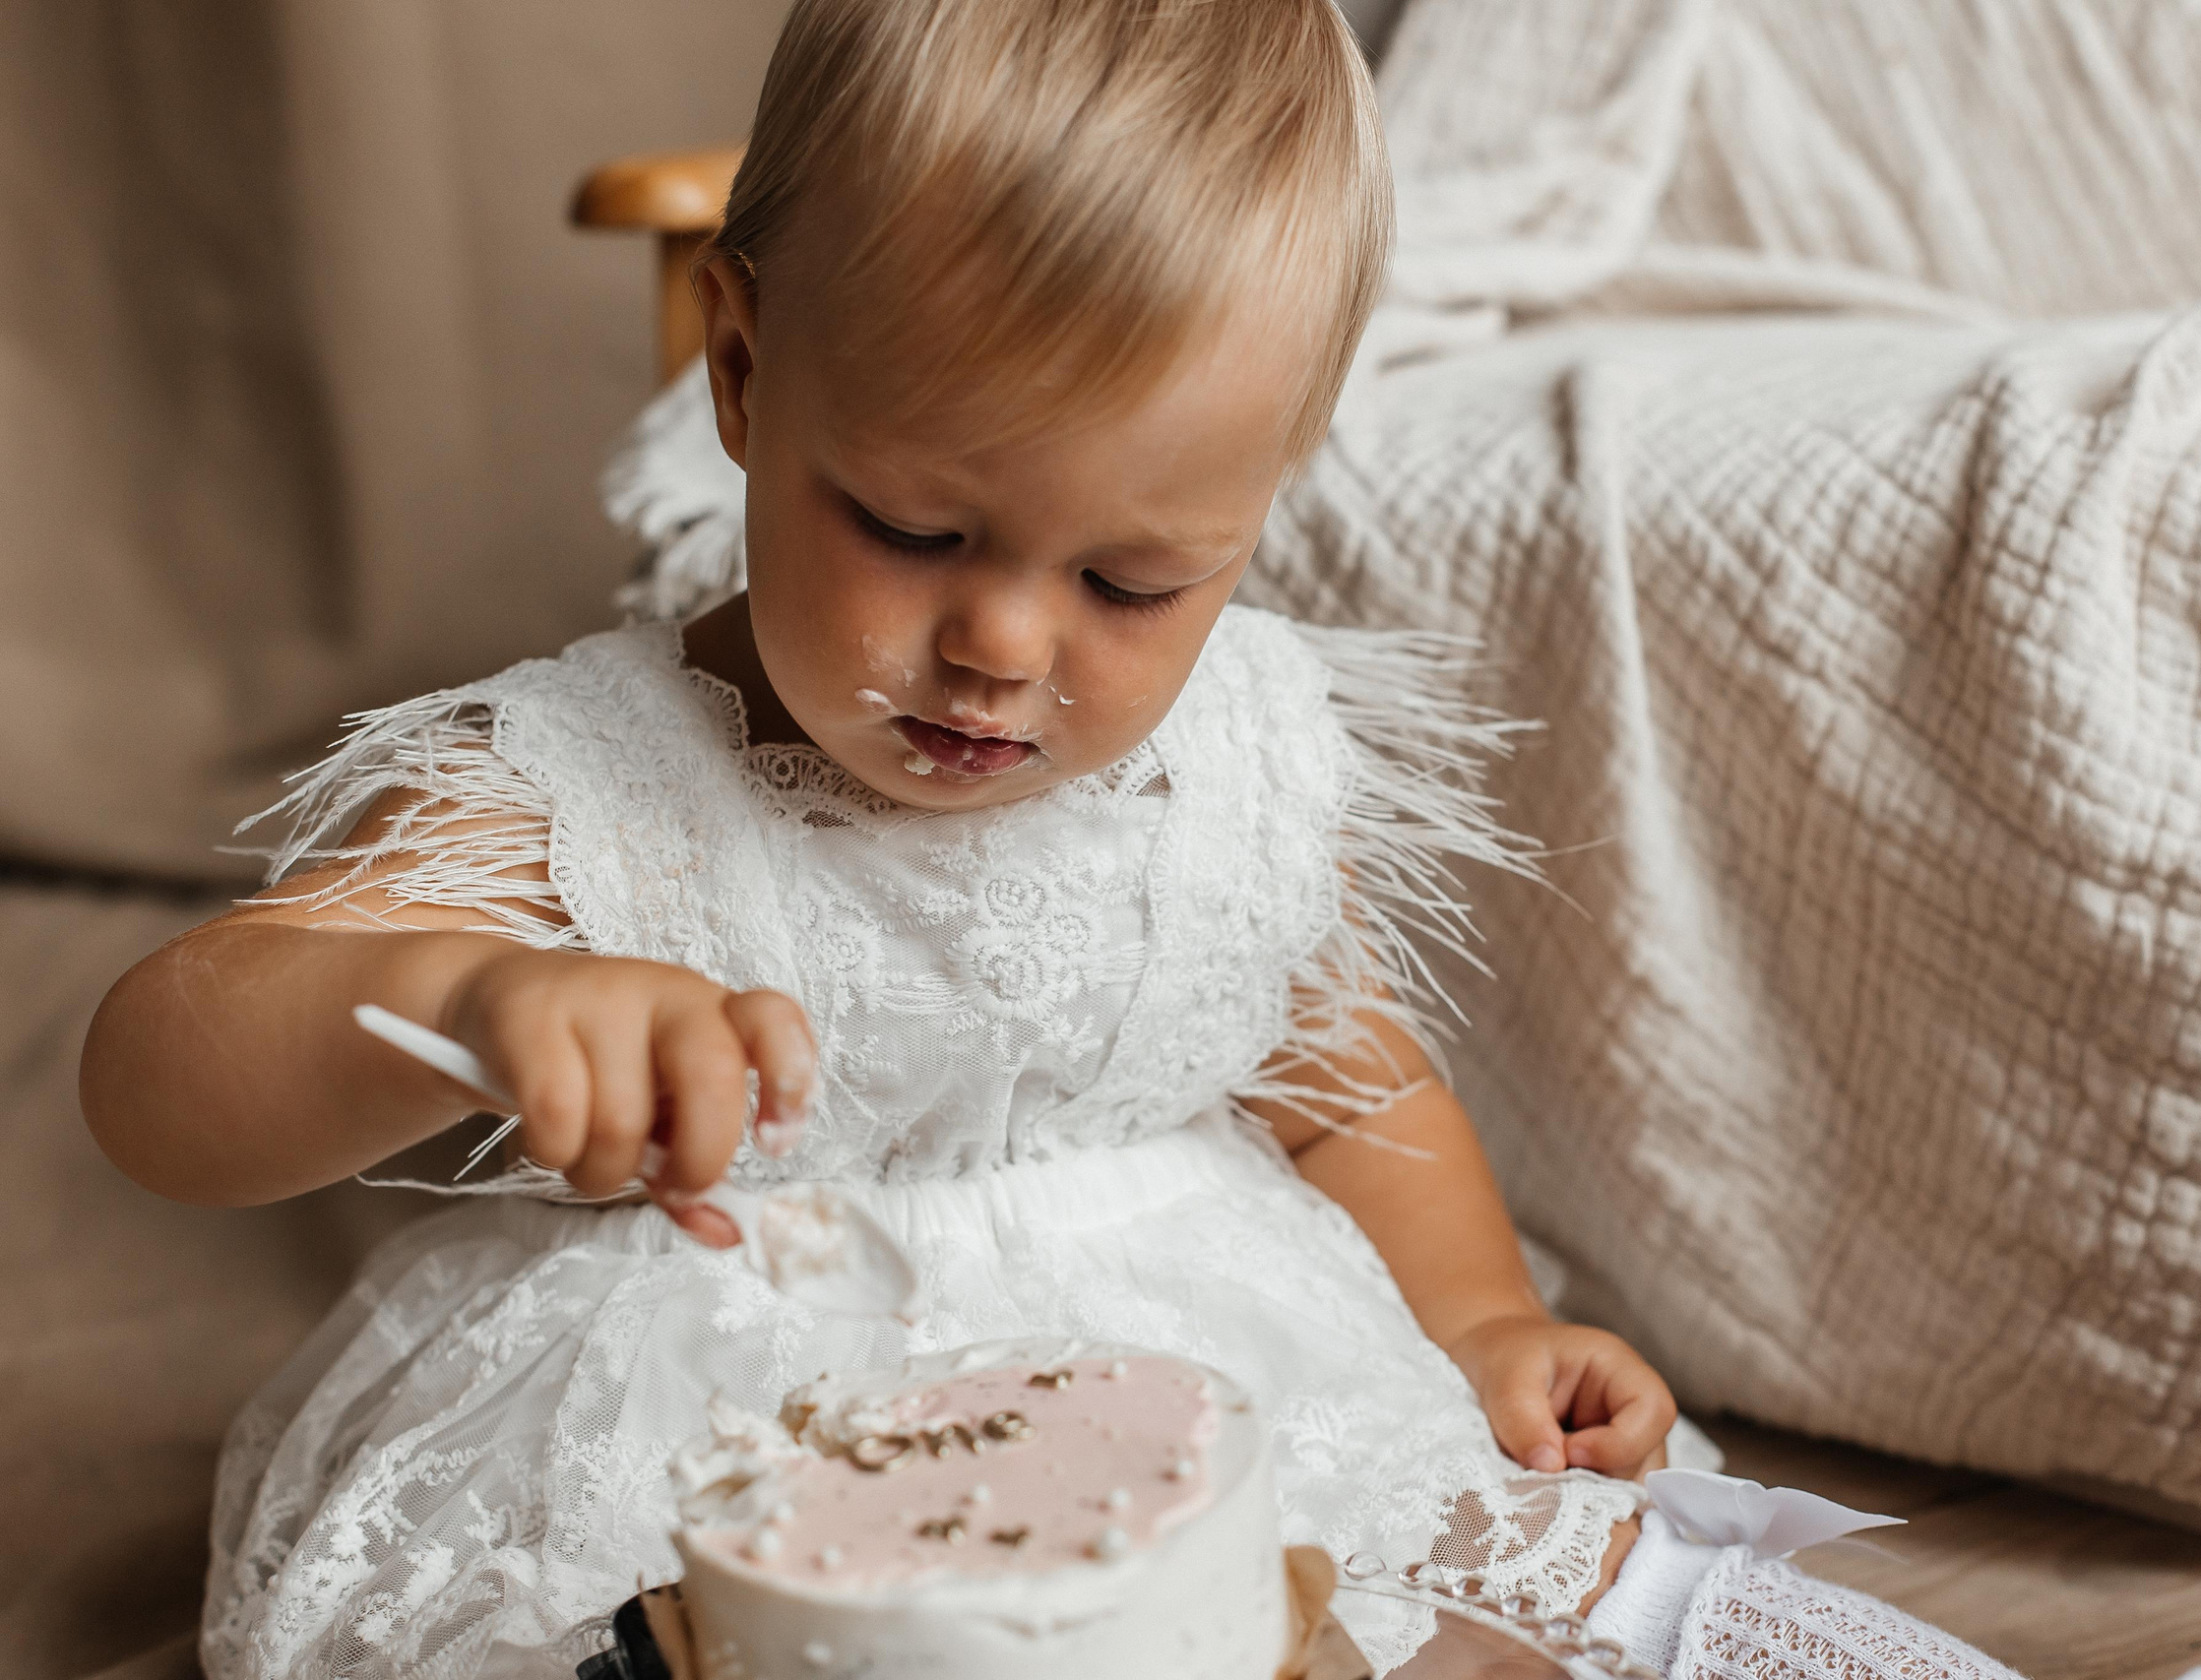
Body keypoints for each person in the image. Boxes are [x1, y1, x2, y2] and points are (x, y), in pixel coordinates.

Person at [81, 3, 2028, 1676]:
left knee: (1475, 1610)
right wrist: (465, 995)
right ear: (741, 374)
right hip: (730, 1440)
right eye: (915, 530)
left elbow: (1348, 1084)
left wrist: (1483, 1320)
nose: (1002, 646)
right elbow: (160, 1082)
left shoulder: (1228, 763)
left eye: (1133, 579)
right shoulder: (594, 787)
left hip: (1201, 1385)